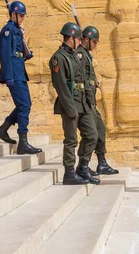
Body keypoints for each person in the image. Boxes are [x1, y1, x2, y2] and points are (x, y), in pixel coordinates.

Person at [49, 22, 99, 185]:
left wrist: (89, 100)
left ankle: (83, 167)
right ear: (70, 37)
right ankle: (69, 173)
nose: (80, 41)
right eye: (78, 38)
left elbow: (83, 79)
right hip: (70, 103)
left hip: (83, 103)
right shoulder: (58, 58)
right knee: (71, 140)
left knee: (92, 135)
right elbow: (61, 85)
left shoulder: (75, 55)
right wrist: (70, 108)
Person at [0, 1, 42, 155]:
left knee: (25, 104)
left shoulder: (16, 30)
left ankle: (3, 129)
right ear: (13, 14)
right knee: (24, 105)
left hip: (19, 72)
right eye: (20, 15)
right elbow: (5, 55)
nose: (22, 18)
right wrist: (8, 77)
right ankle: (23, 142)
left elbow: (16, 53)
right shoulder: (8, 30)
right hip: (14, 74)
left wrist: (26, 55)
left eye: (23, 16)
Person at [76, 26, 119, 175]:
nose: (96, 44)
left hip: (91, 102)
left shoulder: (86, 54)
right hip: (85, 102)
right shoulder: (80, 54)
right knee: (91, 134)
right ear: (86, 39)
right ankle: (83, 164)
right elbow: (81, 78)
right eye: (94, 41)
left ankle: (102, 162)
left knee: (100, 130)